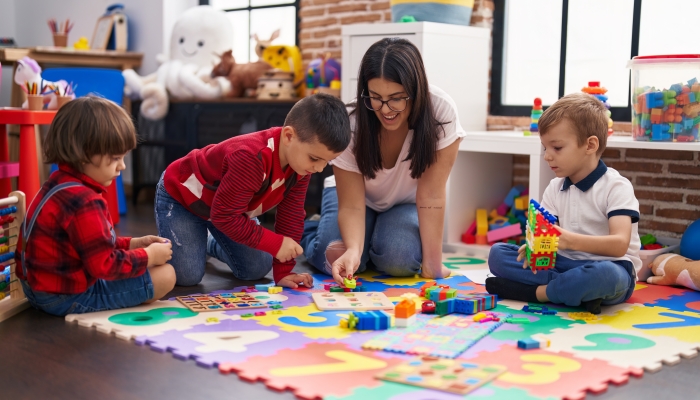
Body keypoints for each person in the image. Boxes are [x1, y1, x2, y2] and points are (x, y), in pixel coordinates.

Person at [301, 37, 465, 285]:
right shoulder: (353, 121)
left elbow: (431, 195)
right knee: (337, 258)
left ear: (416, 90)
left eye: (397, 98)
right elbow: (353, 206)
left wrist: (432, 266)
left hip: (405, 204)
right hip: (354, 201)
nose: (386, 109)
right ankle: (312, 230)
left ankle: (372, 239)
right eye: (376, 97)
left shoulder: (441, 112)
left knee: (399, 260)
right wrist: (354, 251)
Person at [155, 93, 351, 289]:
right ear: (289, 136)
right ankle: (189, 239)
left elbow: (290, 215)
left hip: (227, 209)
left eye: (327, 161)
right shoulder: (250, 158)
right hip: (182, 199)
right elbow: (225, 216)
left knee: (257, 267)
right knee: (188, 276)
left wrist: (284, 271)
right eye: (315, 159)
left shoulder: (301, 165)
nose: (319, 168)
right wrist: (274, 243)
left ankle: (207, 242)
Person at [16, 96, 175, 316]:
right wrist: (148, 256)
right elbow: (104, 265)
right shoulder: (85, 201)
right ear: (84, 155)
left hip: (36, 289)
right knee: (166, 274)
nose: (122, 166)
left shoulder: (57, 182)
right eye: (116, 158)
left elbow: (91, 245)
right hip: (64, 297)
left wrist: (134, 244)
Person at [486, 92, 641, 314]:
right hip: (563, 265)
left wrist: (570, 241)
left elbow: (619, 244)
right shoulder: (555, 187)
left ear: (590, 145)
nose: (547, 156)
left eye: (556, 148)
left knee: (604, 276)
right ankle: (572, 291)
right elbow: (546, 238)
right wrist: (534, 251)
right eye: (545, 148)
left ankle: (536, 293)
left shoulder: (616, 186)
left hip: (611, 267)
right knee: (498, 254)